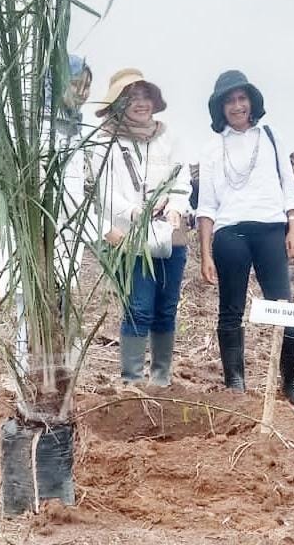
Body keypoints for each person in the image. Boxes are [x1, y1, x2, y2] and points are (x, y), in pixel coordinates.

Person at [196, 70, 294, 408]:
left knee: (283, 306)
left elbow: (289, 187)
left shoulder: (271, 137)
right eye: (229, 101)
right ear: (220, 108)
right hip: (229, 233)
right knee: (230, 309)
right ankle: (235, 384)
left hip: (270, 230)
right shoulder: (211, 148)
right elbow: (206, 206)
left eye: (242, 99)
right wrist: (205, 254)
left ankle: (291, 382)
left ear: (252, 102)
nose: (237, 106)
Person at [95, 69, 190, 386]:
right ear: (117, 103)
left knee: (166, 308)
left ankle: (161, 379)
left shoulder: (169, 137)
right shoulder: (105, 140)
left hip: (170, 236)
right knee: (138, 308)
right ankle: (132, 381)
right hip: (129, 238)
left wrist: (175, 207)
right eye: (131, 97)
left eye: (145, 96)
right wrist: (134, 211)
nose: (140, 103)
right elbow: (103, 190)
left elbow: (181, 179)